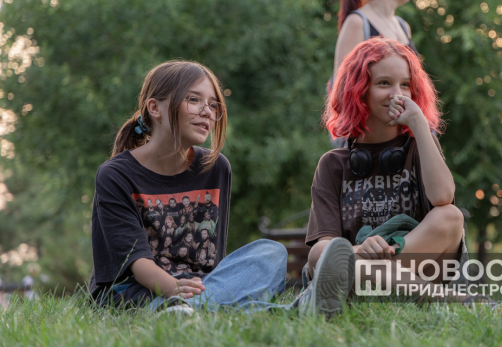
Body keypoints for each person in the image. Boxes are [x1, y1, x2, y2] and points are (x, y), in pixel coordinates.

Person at [88, 60, 351, 315]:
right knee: (206, 298)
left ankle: (185, 311)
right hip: (135, 291)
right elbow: (136, 263)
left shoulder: (215, 167)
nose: (208, 112)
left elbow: (211, 261)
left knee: (272, 253)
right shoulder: (115, 175)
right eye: (194, 99)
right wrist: (174, 290)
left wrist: (202, 291)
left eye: (213, 105)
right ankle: (292, 311)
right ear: (155, 108)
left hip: (201, 287)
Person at [306, 37, 466, 303]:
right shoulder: (332, 165)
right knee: (320, 256)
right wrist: (360, 249)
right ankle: (445, 298)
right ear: (359, 91)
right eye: (384, 83)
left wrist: (419, 125)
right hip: (361, 264)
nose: (397, 94)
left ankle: (380, 280)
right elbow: (320, 250)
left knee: (450, 216)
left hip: (411, 267)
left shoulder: (421, 145)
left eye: (405, 84)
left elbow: (443, 197)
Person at [329, 0, 417, 148]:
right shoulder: (358, 23)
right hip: (369, 142)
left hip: (404, 137)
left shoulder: (403, 26)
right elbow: (342, 94)